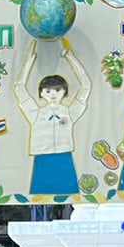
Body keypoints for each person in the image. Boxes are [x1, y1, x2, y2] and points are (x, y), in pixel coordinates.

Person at [14, 40, 90, 195]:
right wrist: (29, 61)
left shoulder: (69, 112)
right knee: (40, 196)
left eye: (58, 90)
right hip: (42, 159)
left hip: (64, 158)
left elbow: (86, 85)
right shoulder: (35, 113)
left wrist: (70, 57)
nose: (53, 94)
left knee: (69, 195)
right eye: (48, 91)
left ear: (64, 92)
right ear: (41, 93)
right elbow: (19, 87)